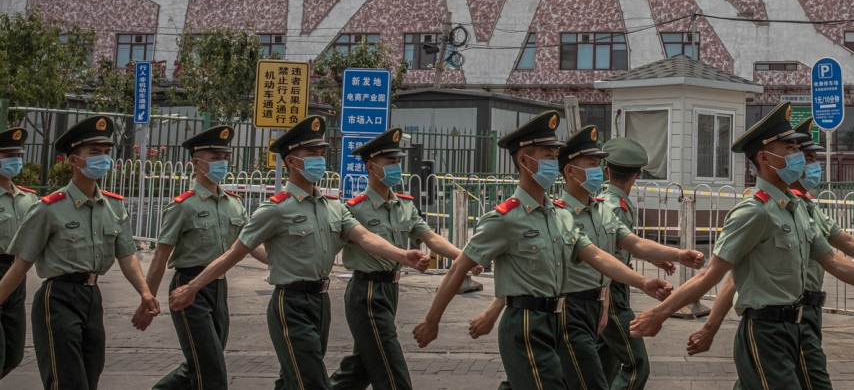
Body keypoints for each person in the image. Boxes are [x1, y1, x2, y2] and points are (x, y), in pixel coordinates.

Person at [628, 102, 854, 390]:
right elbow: (714, 275)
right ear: (765, 158)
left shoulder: (795, 207)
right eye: (790, 149)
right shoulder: (753, 212)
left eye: (798, 149)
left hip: (796, 325)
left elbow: (833, 259)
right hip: (765, 331)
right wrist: (660, 314)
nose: (798, 156)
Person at [412, 111, 673, 390]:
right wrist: (432, 319)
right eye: (547, 156)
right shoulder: (505, 218)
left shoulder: (559, 216)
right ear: (524, 160)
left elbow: (596, 256)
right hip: (526, 324)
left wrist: (643, 282)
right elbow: (458, 268)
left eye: (554, 155)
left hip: (558, 320)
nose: (554, 162)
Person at [168, 115, 429, 390]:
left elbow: (365, 237)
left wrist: (401, 255)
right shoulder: (275, 209)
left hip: (321, 302)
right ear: (291, 162)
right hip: (289, 304)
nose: (320, 159)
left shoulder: (334, 207)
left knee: (292, 379)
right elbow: (233, 254)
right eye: (311, 154)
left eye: (321, 153)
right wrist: (192, 287)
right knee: (311, 382)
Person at [685, 117, 854, 373]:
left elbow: (846, 245)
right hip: (783, 316)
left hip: (805, 314)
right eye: (803, 156)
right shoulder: (761, 210)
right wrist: (709, 327)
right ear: (771, 159)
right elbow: (733, 277)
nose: (810, 164)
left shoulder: (804, 206)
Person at [466, 126, 704, 390]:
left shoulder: (601, 209)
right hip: (565, 308)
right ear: (569, 171)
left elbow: (628, 245)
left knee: (554, 374)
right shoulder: (556, 214)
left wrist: (678, 255)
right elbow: (529, 272)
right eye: (591, 164)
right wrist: (492, 312)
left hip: (594, 303)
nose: (597, 171)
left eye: (598, 165)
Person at [0, 115, 159, 390]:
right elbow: (20, 264)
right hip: (58, 298)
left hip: (92, 298)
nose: (103, 159)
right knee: (67, 381)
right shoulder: (48, 208)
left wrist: (144, 292)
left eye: (106, 153)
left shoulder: (114, 207)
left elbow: (127, 255)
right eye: (94, 153)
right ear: (74, 160)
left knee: (90, 377)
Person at [330, 127, 482, 390]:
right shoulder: (354, 209)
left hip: (391, 290)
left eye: (398, 161)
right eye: (390, 162)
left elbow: (430, 237)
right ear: (371, 167)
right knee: (390, 367)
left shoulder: (404, 205)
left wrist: (464, 257)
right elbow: (354, 242)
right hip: (366, 292)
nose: (396, 167)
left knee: (361, 366)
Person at [133, 125, 268, 390]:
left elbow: (248, 245)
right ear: (196, 162)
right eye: (215, 157)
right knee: (211, 372)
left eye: (225, 157)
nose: (222, 163)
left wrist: (282, 264)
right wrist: (147, 300)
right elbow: (160, 257)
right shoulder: (183, 205)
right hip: (189, 287)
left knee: (202, 363)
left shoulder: (234, 202)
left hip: (217, 287)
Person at [595, 137, 681, 390]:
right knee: (636, 363)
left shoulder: (604, 199)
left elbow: (621, 243)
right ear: (639, 174)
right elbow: (607, 251)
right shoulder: (616, 206)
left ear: (606, 170)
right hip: (612, 288)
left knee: (605, 356)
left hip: (609, 286)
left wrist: (651, 256)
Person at [0, 127, 37, 379]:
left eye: (18, 155)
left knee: (13, 354)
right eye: (7, 156)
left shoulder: (29, 199)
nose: (15, 161)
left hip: (17, 273)